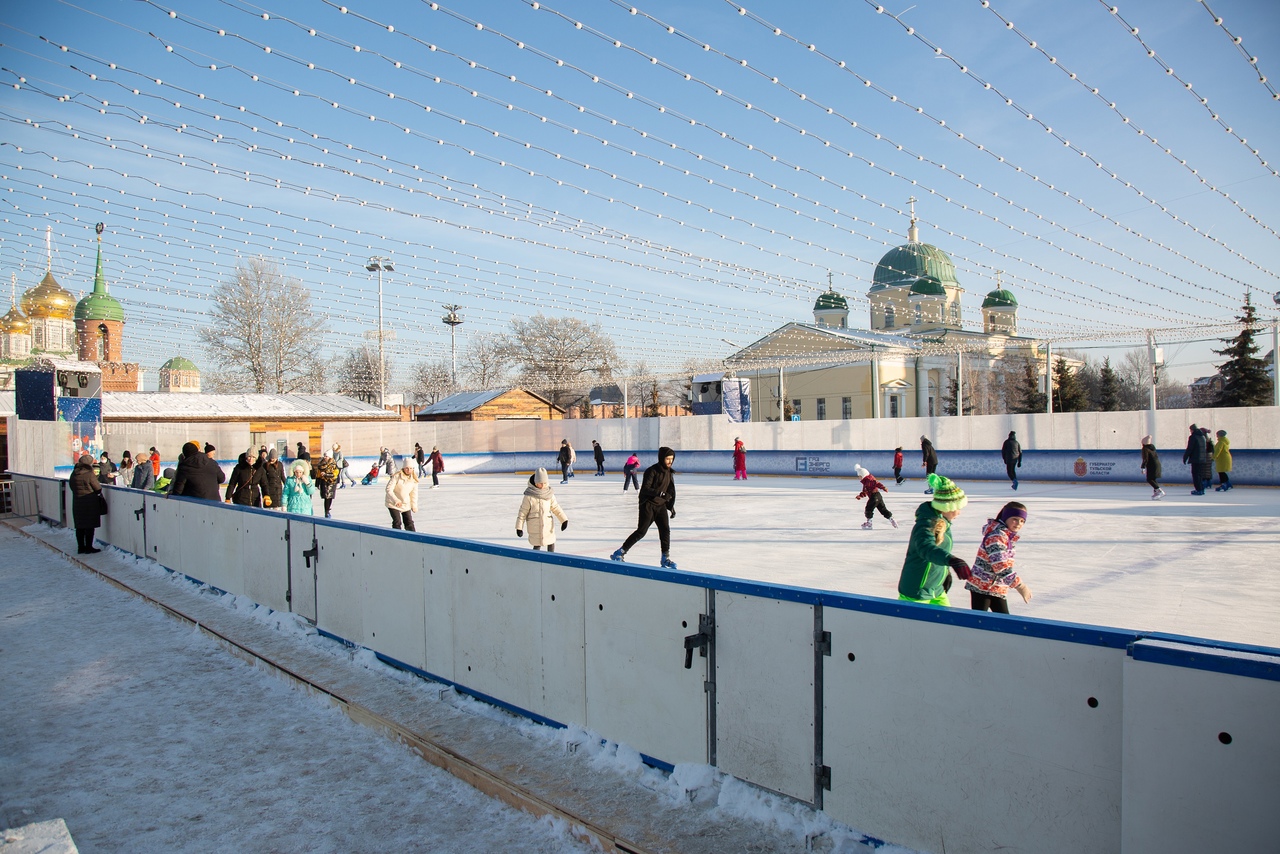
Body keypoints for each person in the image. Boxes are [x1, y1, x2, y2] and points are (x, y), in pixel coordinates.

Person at [896, 473, 971, 607]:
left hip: (936, 590)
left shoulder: (943, 523)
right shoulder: (925, 524)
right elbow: (926, 548)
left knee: (948, 625)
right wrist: (951, 560)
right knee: (910, 628)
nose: (959, 512)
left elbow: (939, 550)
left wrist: (945, 574)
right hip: (916, 592)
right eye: (958, 508)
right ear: (947, 507)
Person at [611, 447, 678, 569]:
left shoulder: (669, 473)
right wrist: (660, 494)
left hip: (660, 506)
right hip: (647, 505)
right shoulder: (651, 471)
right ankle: (619, 553)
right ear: (661, 458)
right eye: (667, 459)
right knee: (641, 531)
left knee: (665, 530)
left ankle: (665, 558)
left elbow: (670, 491)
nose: (670, 461)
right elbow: (645, 489)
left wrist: (671, 506)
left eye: (671, 459)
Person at [965, 502, 1032, 614]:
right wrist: (1020, 586)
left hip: (996, 587)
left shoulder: (1006, 536)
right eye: (1015, 519)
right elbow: (1000, 566)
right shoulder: (997, 536)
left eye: (1022, 521)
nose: (1018, 523)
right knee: (980, 622)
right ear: (1005, 517)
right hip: (982, 586)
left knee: (1004, 622)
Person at [515, 467, 569, 552]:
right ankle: (535, 561)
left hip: (548, 526)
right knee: (537, 546)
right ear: (536, 483)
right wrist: (519, 527)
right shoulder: (529, 496)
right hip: (535, 526)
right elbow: (523, 512)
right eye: (540, 483)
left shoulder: (549, 494)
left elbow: (556, 508)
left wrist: (564, 520)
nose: (543, 485)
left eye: (545, 483)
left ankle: (551, 560)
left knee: (551, 543)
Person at [69, 453, 104, 554]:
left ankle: (81, 547)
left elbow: (71, 486)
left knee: (79, 526)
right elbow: (97, 489)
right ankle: (88, 547)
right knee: (89, 526)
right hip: (90, 503)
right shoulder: (89, 474)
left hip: (77, 502)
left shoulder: (74, 473)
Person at [854, 465, 896, 529]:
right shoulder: (866, 482)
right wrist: (860, 496)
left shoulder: (869, 479)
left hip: (874, 496)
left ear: (863, 475)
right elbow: (865, 491)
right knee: (882, 509)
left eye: (859, 476)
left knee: (869, 508)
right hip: (878, 496)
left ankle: (869, 523)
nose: (859, 478)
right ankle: (892, 519)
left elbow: (876, 483)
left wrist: (883, 487)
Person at [385, 459, 419, 531]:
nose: (408, 470)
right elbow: (388, 489)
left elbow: (414, 494)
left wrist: (414, 506)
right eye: (406, 468)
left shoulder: (414, 480)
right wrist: (396, 500)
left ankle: (413, 538)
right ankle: (397, 537)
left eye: (410, 468)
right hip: (393, 503)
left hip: (405, 504)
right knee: (397, 522)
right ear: (403, 468)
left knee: (409, 522)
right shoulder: (396, 476)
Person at [1182, 424, 1208, 496]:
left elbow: (1190, 448)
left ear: (1192, 430)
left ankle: (1198, 489)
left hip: (1196, 459)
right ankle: (1201, 488)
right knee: (1200, 474)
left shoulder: (1193, 437)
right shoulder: (1202, 437)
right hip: (1202, 459)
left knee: (1195, 475)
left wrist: (1185, 457)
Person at [313, 451, 339, 518]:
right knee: (326, 497)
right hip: (323, 482)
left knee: (330, 497)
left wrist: (326, 475)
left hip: (332, 482)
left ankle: (328, 509)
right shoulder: (321, 464)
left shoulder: (334, 464)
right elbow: (318, 474)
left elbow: (335, 474)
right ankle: (326, 511)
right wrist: (317, 483)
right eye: (324, 456)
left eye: (326, 456)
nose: (325, 457)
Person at [1140, 435, 1164, 500]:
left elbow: (1145, 459)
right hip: (1156, 464)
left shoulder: (1145, 449)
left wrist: (1143, 467)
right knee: (1152, 478)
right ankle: (1156, 492)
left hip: (1152, 465)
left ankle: (1159, 491)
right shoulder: (1152, 448)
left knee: (1149, 479)